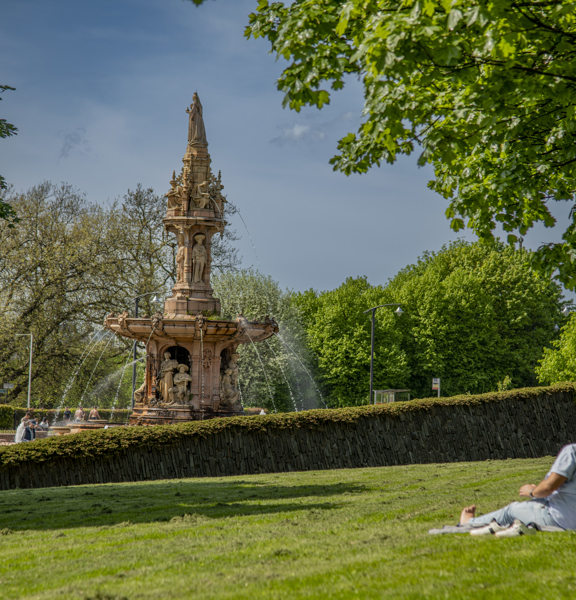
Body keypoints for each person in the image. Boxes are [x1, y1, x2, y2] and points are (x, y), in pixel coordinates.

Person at [460, 443, 576, 537]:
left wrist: (531, 491)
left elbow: (548, 487)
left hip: (562, 519)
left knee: (511, 510)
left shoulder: (571, 451)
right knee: (536, 503)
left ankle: (469, 523)